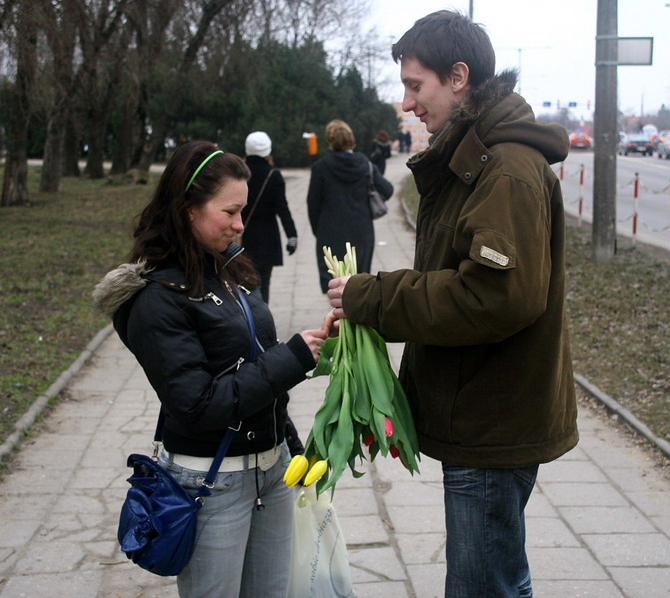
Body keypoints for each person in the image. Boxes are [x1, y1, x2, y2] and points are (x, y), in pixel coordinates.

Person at [325, 11, 578, 597]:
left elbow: (495, 296)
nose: (407, 102)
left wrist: (376, 296)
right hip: (483, 407)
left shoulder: (505, 169)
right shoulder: (478, 156)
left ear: (458, 76)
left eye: (416, 85)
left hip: (491, 417)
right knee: (494, 581)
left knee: (482, 587)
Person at [93, 141, 333, 598]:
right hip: (212, 482)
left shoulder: (229, 267)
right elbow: (198, 406)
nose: (241, 224)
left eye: (243, 212)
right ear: (187, 209)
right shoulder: (156, 298)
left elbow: (255, 361)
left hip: (273, 471)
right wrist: (294, 356)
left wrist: (293, 444)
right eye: (230, 212)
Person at [307, 119, 393, 293]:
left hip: (330, 232)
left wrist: (319, 231)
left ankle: (337, 318)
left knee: (333, 283)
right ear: (351, 139)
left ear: (330, 140)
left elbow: (313, 204)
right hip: (361, 231)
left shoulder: (320, 167)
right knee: (358, 283)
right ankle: (355, 317)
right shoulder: (365, 164)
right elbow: (388, 189)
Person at [240, 131, 298, 303]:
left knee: (241, 283)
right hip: (267, 238)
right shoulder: (273, 176)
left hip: (241, 236)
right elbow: (283, 209)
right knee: (263, 284)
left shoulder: (238, 175)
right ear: (268, 150)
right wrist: (292, 235)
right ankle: (262, 321)